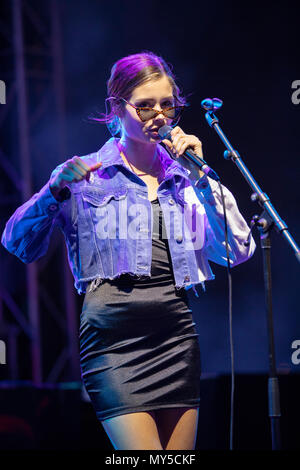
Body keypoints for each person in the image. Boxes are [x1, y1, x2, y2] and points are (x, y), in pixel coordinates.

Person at [1, 51, 256, 450]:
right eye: (145, 105)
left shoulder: (185, 177)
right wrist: (52, 193)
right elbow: (17, 242)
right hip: (113, 343)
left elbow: (238, 249)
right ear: (117, 108)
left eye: (167, 104)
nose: (159, 115)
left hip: (175, 337)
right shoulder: (85, 175)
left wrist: (201, 176)